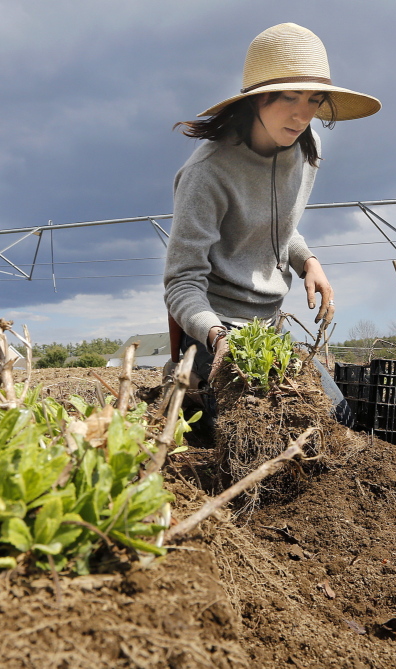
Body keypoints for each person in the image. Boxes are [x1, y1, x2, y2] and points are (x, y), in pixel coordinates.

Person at [163, 22, 381, 426]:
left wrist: (307, 261)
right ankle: (192, 378)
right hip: (217, 328)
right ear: (256, 100)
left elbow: (277, 225)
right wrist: (216, 337)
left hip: (268, 328)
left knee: (340, 422)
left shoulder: (303, 151)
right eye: (289, 97)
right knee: (261, 431)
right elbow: (181, 281)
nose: (303, 114)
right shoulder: (207, 173)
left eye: (315, 100)